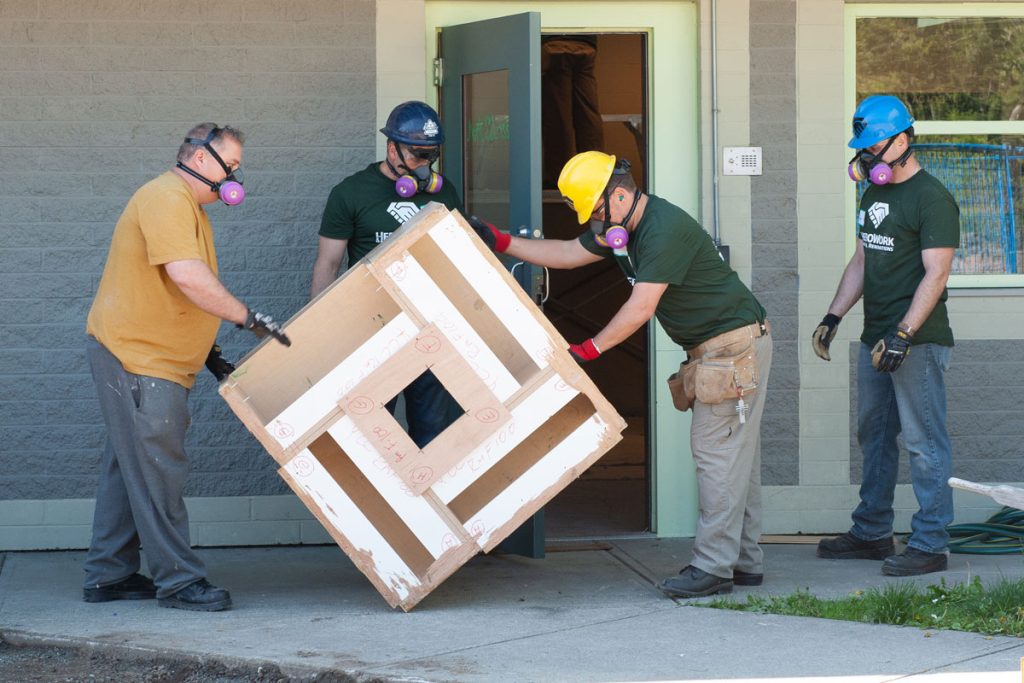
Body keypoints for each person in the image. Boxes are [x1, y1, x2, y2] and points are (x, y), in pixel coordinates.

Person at [472, 150, 772, 598]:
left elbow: (642, 307)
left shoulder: (662, 229)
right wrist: (500, 241)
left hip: (732, 349)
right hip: (718, 349)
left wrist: (589, 349)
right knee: (733, 460)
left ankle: (713, 568)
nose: (592, 222)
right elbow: (568, 253)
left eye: (594, 209)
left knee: (716, 456)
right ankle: (744, 562)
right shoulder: (619, 228)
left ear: (618, 194)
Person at [83, 123, 291, 612]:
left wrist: (208, 352)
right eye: (232, 166)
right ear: (201, 159)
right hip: (138, 359)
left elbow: (177, 292)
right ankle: (179, 582)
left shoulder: (186, 207)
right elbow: (187, 275)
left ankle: (107, 575)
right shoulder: (166, 198)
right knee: (159, 469)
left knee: (128, 466)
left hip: (151, 358)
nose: (236, 176)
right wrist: (246, 318)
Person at [812, 95, 959, 576]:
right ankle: (872, 532)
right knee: (874, 435)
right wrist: (833, 317)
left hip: (917, 339)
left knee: (924, 441)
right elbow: (862, 260)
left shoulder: (932, 198)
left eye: (874, 147)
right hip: (874, 336)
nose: (866, 157)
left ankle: (931, 542)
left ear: (903, 140)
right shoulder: (873, 193)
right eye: (864, 148)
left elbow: (935, 275)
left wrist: (904, 334)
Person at [311, 101, 462, 448]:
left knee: (432, 434)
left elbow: (455, 258)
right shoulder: (350, 193)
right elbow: (328, 264)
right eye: (416, 155)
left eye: (430, 156)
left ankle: (424, 503)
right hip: (372, 330)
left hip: (430, 328)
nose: (423, 166)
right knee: (369, 433)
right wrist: (320, 334)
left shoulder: (446, 192)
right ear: (391, 147)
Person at [541, 35, 604, 188]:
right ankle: (595, 175)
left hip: (555, 44)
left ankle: (560, 177)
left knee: (559, 116)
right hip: (586, 44)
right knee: (588, 113)